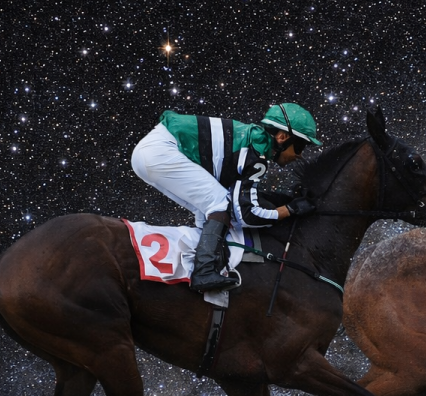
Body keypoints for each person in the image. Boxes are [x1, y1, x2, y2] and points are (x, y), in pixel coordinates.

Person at [131, 102, 322, 292]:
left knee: (209, 210)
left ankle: (204, 267)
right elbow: (247, 215)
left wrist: (283, 202)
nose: (300, 155)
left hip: (151, 152)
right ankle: (204, 273)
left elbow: (243, 200)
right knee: (220, 203)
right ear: (282, 137)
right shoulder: (257, 154)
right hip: (160, 151)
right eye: (301, 146)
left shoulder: (254, 143)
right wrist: (289, 210)